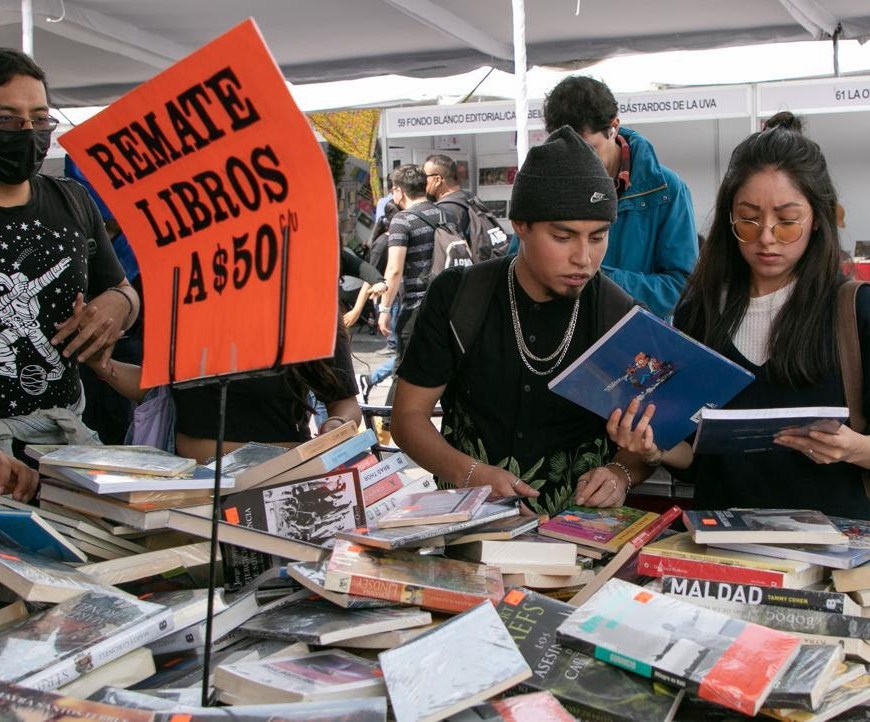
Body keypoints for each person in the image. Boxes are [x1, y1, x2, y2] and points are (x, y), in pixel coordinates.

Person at [610, 112, 870, 519]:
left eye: (787, 222)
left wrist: (854, 448)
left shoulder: (854, 311)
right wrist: (654, 446)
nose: (766, 237)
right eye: (748, 219)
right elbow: (700, 459)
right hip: (722, 549)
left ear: (818, 218)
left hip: (833, 557)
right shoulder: (702, 312)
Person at [391, 126, 648, 517]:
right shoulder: (461, 296)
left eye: (597, 238)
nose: (583, 258)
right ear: (521, 225)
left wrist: (620, 473)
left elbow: (649, 445)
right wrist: (470, 472)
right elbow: (408, 418)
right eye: (563, 237)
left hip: (580, 539)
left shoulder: (617, 312)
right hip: (471, 526)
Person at [0, 49, 139, 501]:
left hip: (64, 445)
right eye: (8, 120)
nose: (28, 133)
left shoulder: (74, 200)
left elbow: (122, 291)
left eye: (39, 119)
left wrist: (120, 304)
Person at [88, 315, 362, 464]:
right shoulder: (182, 303)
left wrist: (337, 425)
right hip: (186, 488)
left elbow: (345, 402)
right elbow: (157, 387)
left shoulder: (307, 308)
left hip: (275, 483)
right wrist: (102, 365)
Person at [543, 75, 698, 318]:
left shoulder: (667, 191)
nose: (577, 164)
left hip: (634, 343)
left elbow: (682, 288)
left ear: (613, 128)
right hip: (560, 339)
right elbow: (519, 265)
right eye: (565, 152)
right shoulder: (544, 186)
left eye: (588, 150)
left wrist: (596, 280)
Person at [377, 165, 442, 406]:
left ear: (398, 191)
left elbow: (394, 270)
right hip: (448, 304)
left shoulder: (402, 220)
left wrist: (384, 310)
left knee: (402, 370)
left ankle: (388, 430)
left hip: (416, 307)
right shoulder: (445, 215)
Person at [423, 153, 470, 238]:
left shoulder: (445, 209)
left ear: (437, 180)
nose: (422, 181)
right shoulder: (470, 198)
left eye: (424, 176)